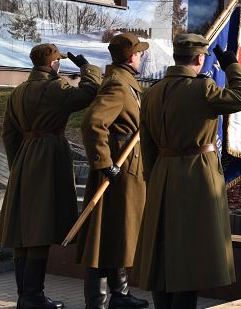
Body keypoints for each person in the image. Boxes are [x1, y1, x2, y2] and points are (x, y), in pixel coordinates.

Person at [134, 35, 241, 309]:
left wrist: (154, 179)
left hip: (163, 174)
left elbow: (148, 144)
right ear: (200, 59)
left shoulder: (151, 93)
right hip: (196, 177)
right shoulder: (203, 89)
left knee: (163, 255)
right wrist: (232, 66)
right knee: (189, 257)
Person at [0, 43, 102, 309]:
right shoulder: (56, 87)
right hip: (49, 156)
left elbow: (9, 134)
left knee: (24, 230)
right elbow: (90, 92)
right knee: (41, 228)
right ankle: (33, 296)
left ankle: (26, 295)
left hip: (24, 158)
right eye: (59, 63)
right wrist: (86, 68)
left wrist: (18, 164)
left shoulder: (18, 91)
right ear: (54, 64)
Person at [77, 33, 150, 309]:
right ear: (131, 57)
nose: (141, 56)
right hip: (118, 168)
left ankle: (119, 294)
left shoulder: (125, 82)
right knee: (103, 236)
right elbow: (92, 123)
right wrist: (104, 163)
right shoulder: (118, 85)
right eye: (139, 53)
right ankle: (98, 301)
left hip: (126, 166)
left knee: (119, 232)